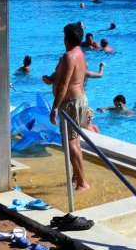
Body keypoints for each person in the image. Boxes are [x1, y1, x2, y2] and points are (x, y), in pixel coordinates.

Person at [49, 22, 92, 192]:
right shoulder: (80, 53)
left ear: (66, 38)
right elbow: (75, 76)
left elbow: (64, 85)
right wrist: (52, 79)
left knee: (71, 144)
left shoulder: (69, 56)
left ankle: (82, 182)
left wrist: (55, 107)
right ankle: (76, 176)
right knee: (76, 142)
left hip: (70, 104)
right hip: (80, 100)